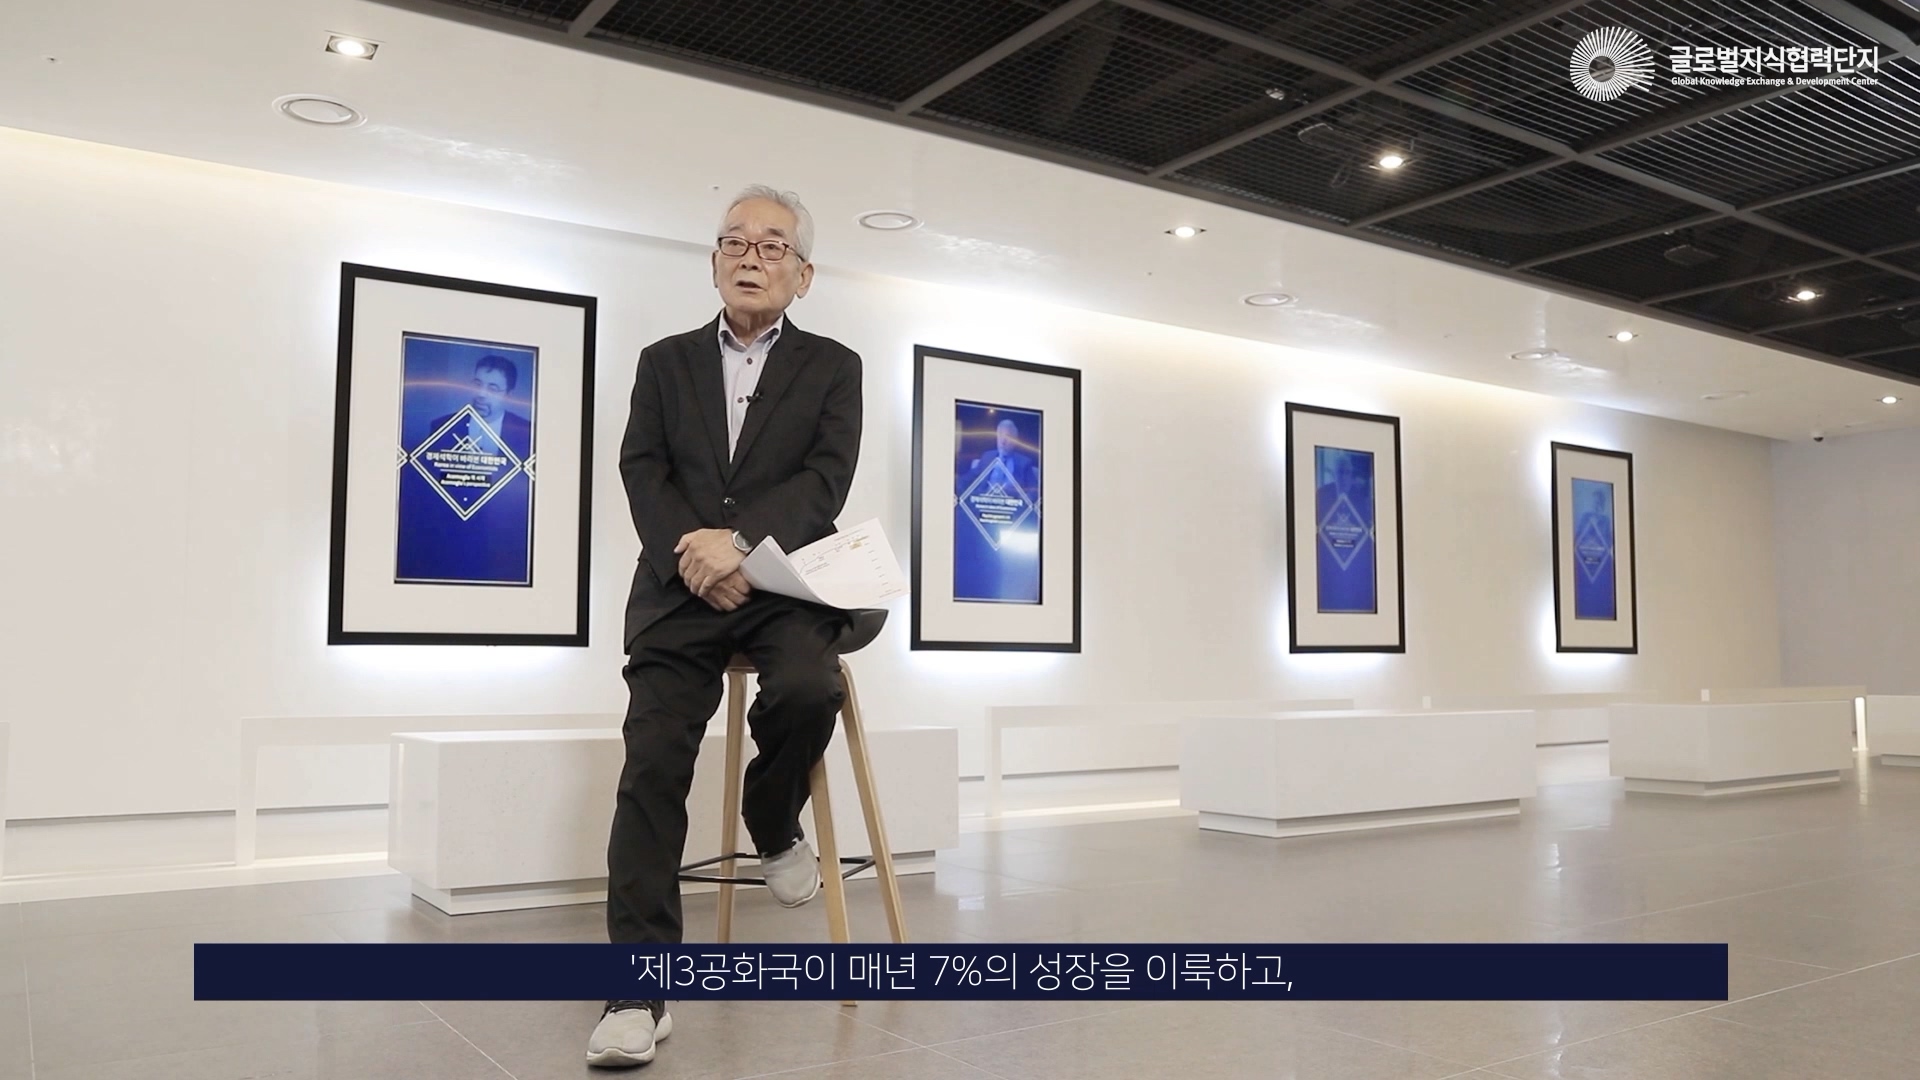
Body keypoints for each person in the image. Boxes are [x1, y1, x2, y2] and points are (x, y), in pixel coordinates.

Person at [587, 186, 863, 1068]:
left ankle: (770, 816)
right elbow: (642, 470)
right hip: (679, 587)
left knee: (809, 688)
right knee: (653, 761)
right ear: (713, 262)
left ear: (803, 275)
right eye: (735, 242)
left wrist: (738, 544)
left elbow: (824, 481)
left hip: (779, 585)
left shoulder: (834, 366)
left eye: (772, 245)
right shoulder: (663, 362)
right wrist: (696, 556)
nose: (751, 256)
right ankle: (637, 993)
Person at [433, 353, 532, 460]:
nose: (481, 394)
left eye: (492, 389)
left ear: (508, 395)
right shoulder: (442, 427)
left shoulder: (527, 433)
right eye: (477, 384)